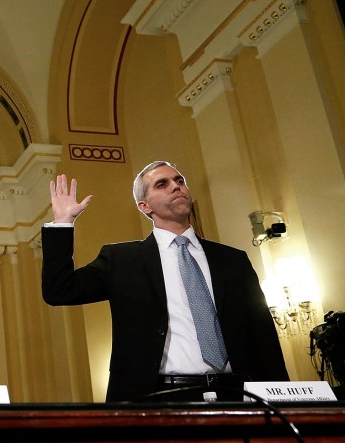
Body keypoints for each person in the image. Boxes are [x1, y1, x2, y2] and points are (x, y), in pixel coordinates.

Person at [42, 161, 289, 402]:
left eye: (179, 180)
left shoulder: (233, 260)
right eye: (162, 184)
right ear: (144, 206)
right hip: (159, 399)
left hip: (236, 395)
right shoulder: (122, 260)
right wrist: (63, 223)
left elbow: (263, 336)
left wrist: (287, 404)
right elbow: (59, 291)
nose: (176, 186)